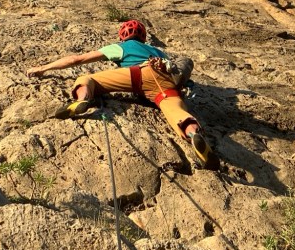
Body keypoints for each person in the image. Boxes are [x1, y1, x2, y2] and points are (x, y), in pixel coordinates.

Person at [27, 20, 217, 168]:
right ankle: (193, 133)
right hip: (167, 83)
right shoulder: (158, 52)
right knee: (176, 112)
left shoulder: (122, 46)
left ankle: (82, 99)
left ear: (123, 36)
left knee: (89, 79)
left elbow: (77, 59)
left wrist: (43, 68)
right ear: (143, 37)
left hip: (138, 74)